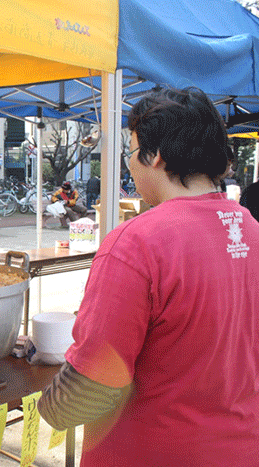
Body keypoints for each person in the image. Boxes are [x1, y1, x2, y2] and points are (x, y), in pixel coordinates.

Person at [37, 87, 259, 466]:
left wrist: (49, 404)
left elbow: (82, 396)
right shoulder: (251, 229)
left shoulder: (136, 243)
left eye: (132, 152)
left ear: (155, 156)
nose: (130, 165)